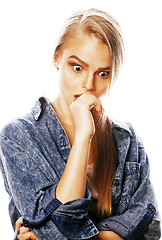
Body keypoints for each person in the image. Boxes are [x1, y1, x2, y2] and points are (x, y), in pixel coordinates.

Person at [0, 8, 161, 240]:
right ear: (58, 58)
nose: (88, 85)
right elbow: (54, 228)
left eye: (103, 73)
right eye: (77, 68)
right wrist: (84, 135)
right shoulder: (18, 137)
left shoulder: (128, 141)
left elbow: (150, 230)